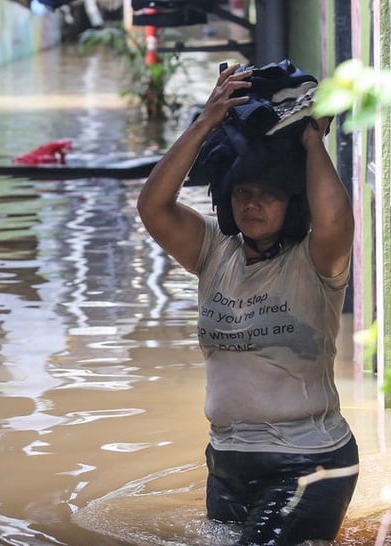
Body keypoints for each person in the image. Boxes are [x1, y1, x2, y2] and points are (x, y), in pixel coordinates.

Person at [137, 63, 359, 545]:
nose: (253, 205)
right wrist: (205, 122)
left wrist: (310, 140)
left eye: (269, 195)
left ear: (293, 202)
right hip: (227, 463)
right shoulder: (214, 251)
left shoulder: (314, 261)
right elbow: (153, 207)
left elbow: (338, 219)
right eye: (243, 192)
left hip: (310, 460)